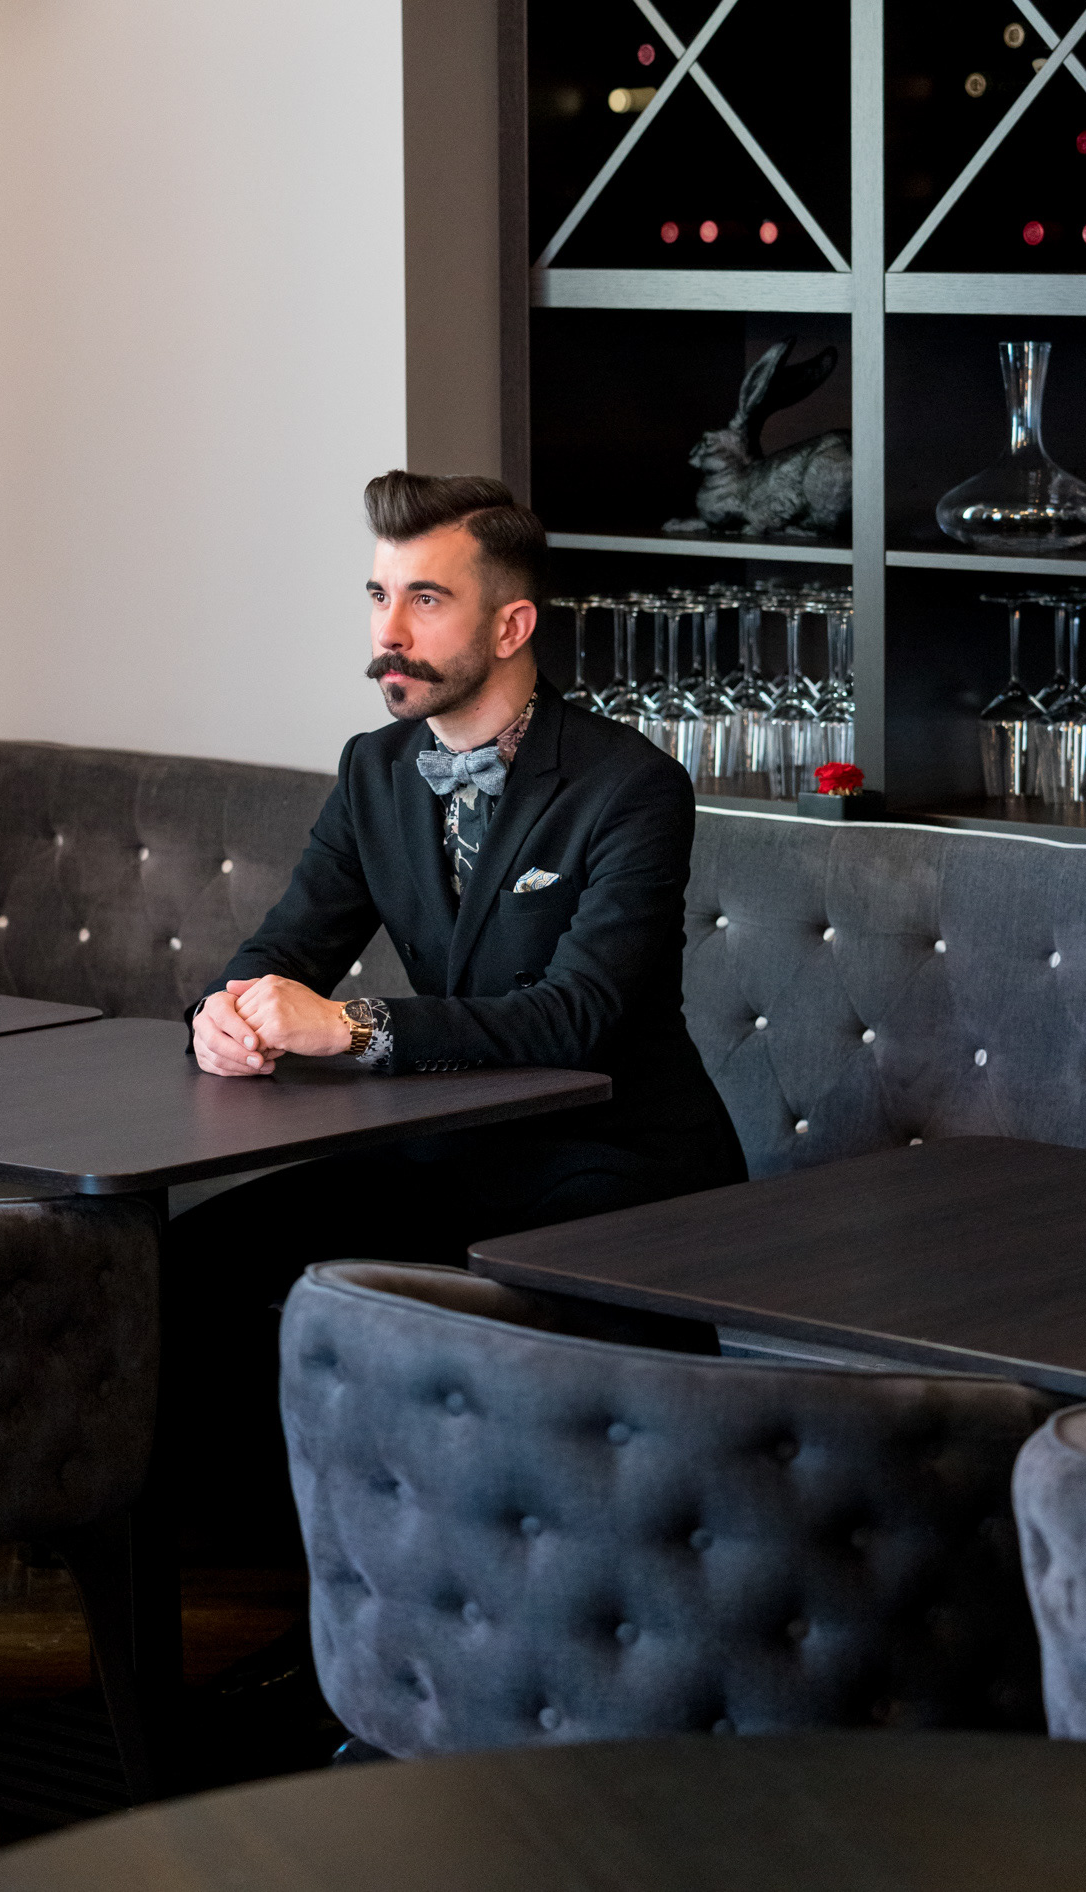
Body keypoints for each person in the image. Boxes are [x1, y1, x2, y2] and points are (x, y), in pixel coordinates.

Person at [167, 469, 746, 1539]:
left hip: (615, 1160)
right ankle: (300, 1573)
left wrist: (351, 1025)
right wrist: (222, 1014)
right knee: (185, 1265)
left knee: (418, 1313)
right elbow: (282, 949)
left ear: (511, 624)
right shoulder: (375, 770)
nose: (388, 632)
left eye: (425, 600)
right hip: (448, 1148)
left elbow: (576, 1015)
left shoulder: (631, 785)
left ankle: (438, 1585)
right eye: (378, 596)